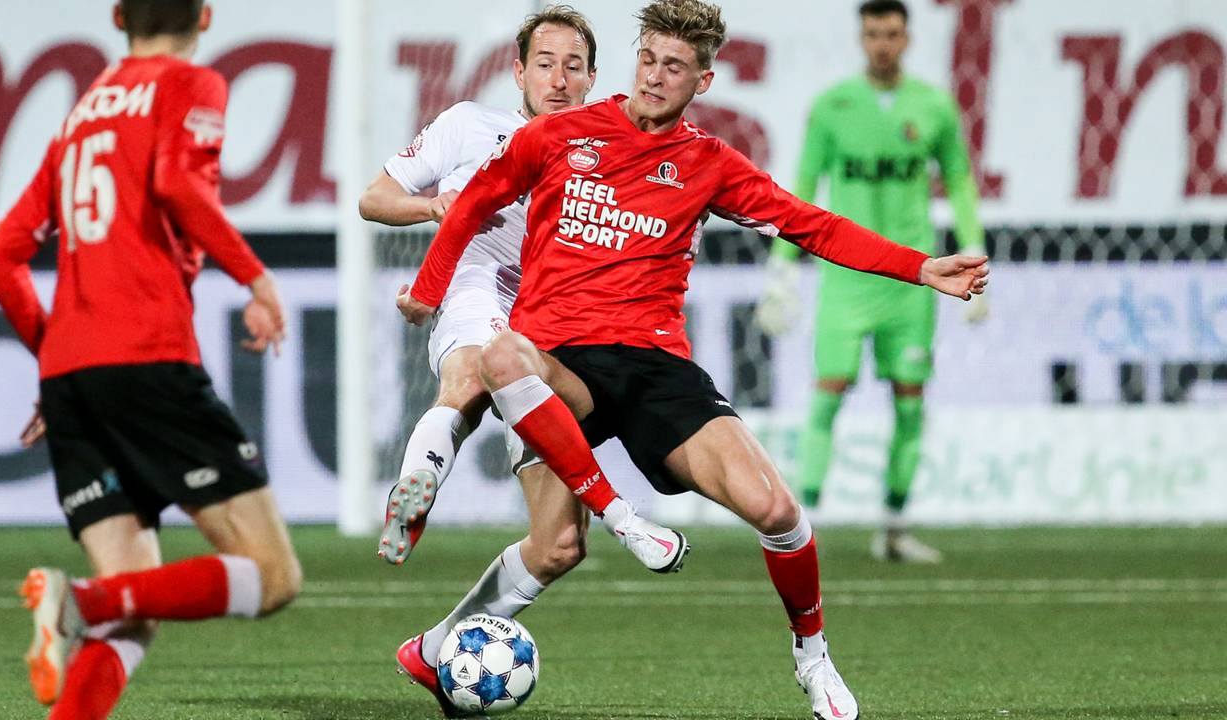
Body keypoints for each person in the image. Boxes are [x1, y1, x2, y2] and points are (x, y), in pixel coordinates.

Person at [397, 0, 988, 716]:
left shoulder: (707, 164)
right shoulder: (558, 135)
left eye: (674, 66)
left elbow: (812, 224)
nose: (654, 76)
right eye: (647, 58)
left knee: (776, 510)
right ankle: (622, 518)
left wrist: (921, 267)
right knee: (502, 361)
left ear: (701, 81)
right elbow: (470, 204)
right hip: (558, 369)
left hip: (652, 367)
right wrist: (430, 294)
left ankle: (814, 661)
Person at [0, 2, 301, 718]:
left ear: (118, 14)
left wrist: (57, 353)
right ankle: (79, 600)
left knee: (136, 614)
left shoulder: (81, 113)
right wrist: (255, 278)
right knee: (274, 577)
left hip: (73, 378)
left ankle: (90, 607)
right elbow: (178, 185)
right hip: (148, 359)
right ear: (207, 16)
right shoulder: (188, 84)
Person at [364, 8, 683, 718]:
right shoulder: (469, 126)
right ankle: (418, 482)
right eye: (545, 63)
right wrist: (431, 207)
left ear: (595, 79)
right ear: (518, 72)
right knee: (475, 368)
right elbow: (372, 197)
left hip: (561, 332)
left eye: (574, 66)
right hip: (484, 289)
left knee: (561, 544)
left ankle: (436, 648)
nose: (559, 78)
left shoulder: (614, 142)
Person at [755, 0, 989, 564]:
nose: (881, 43)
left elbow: (958, 180)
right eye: (872, 33)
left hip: (914, 278)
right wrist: (782, 267)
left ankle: (893, 528)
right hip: (847, 276)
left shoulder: (933, 106)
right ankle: (802, 524)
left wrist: (974, 245)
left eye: (891, 33)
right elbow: (804, 190)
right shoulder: (833, 107)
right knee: (827, 395)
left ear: (906, 38)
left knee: (909, 401)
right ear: (861, 39)